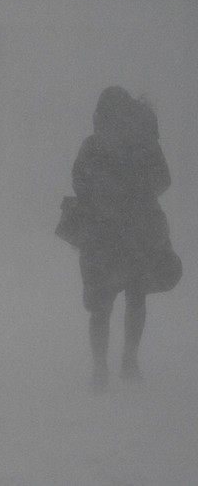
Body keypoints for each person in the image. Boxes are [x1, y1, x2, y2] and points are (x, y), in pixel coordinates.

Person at [71, 86, 179, 392]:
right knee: (136, 296)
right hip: (138, 232)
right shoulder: (145, 144)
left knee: (101, 304)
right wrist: (136, 195)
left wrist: (104, 197)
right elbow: (164, 180)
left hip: (101, 235)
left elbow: (79, 181)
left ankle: (99, 371)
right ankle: (129, 364)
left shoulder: (93, 146)